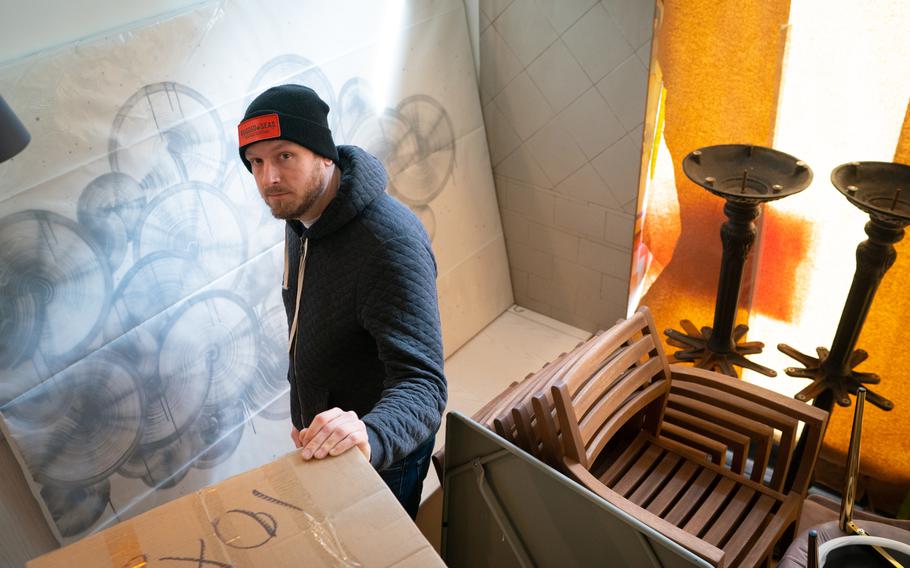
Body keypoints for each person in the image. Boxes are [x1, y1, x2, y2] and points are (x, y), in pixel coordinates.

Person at [237, 84, 447, 518]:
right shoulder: (301, 217)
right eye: (256, 162)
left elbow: (425, 386)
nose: (268, 179)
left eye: (284, 156)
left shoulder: (389, 243)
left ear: (324, 153)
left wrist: (367, 434)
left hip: (381, 449)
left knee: (380, 547)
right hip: (328, 437)